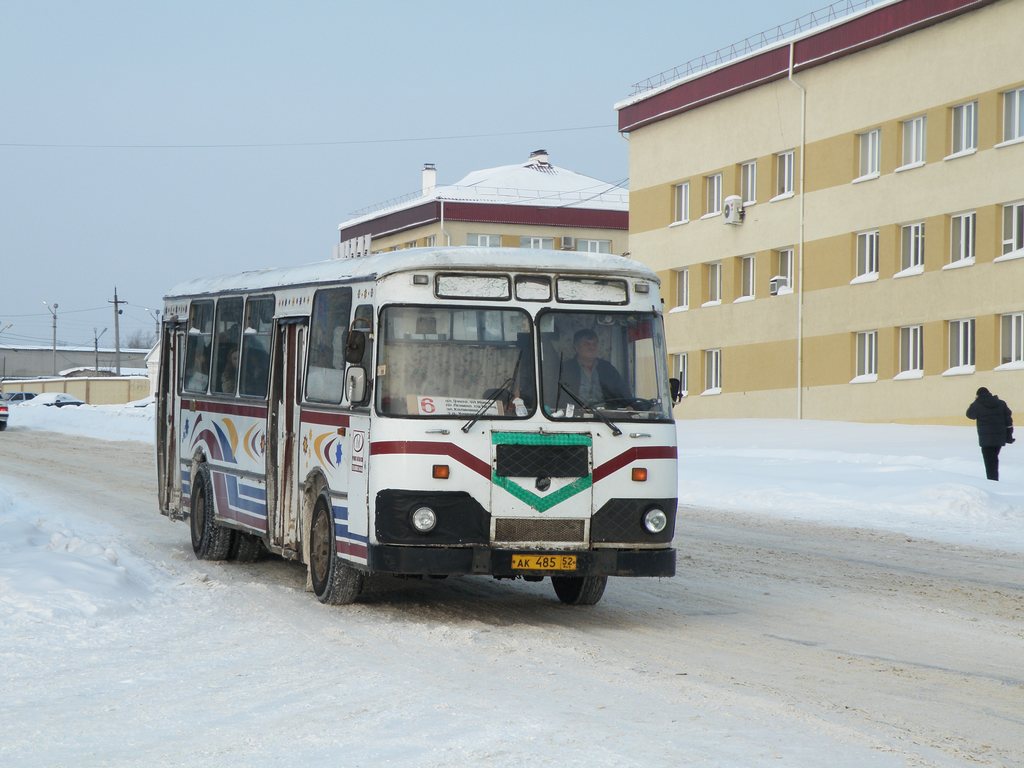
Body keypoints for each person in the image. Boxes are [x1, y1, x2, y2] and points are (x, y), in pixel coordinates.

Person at [559, 328, 631, 407]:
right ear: (576, 347)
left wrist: (630, 405)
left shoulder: (607, 368)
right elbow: (557, 397)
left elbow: (623, 392)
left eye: (594, 344)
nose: (592, 347)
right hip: (574, 414)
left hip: (603, 416)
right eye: (587, 344)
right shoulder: (565, 369)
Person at [966, 387, 1014, 481]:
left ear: (978, 395)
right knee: (994, 459)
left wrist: (975, 402)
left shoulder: (977, 404)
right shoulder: (1001, 403)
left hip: (986, 440)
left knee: (989, 462)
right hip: (999, 438)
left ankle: (992, 482)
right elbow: (1008, 420)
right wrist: (1009, 435)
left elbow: (970, 415)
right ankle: (994, 480)